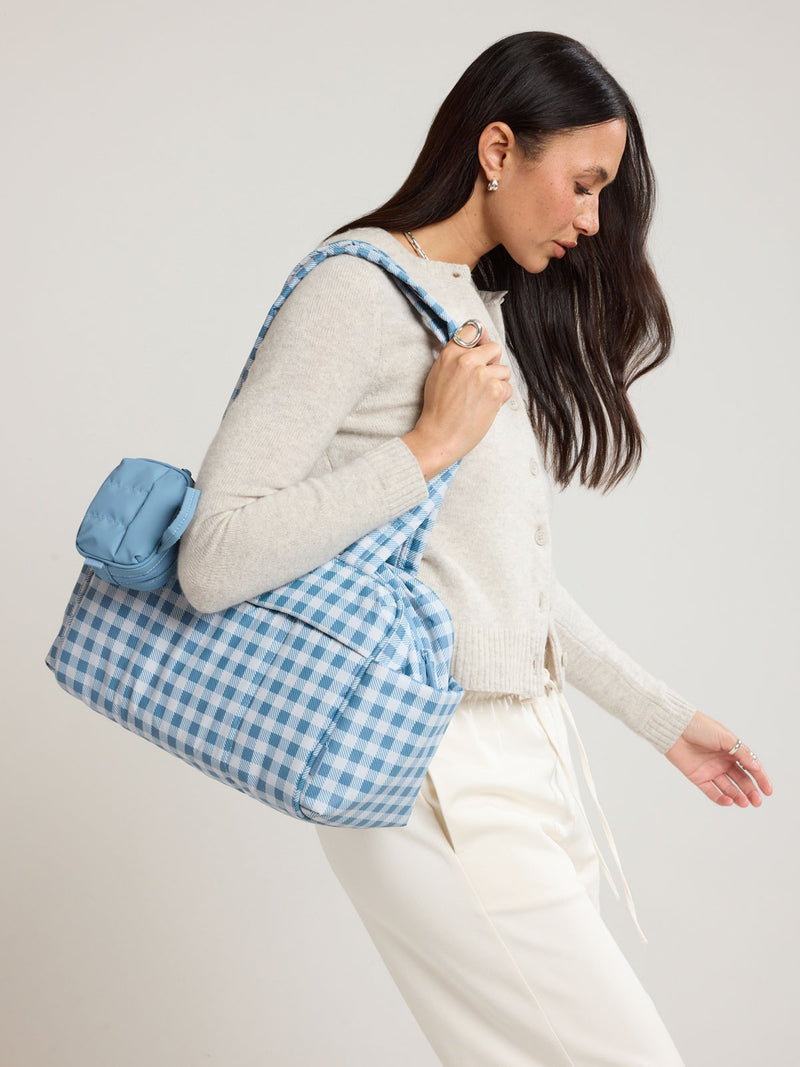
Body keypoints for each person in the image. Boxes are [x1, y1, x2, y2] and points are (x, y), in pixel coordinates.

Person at [177, 29, 773, 1067]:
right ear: (497, 150)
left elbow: (508, 583)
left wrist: (664, 720)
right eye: (583, 185)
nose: (592, 221)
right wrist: (424, 449)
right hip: (430, 760)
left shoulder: (473, 305)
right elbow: (212, 556)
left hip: (526, 751)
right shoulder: (355, 291)